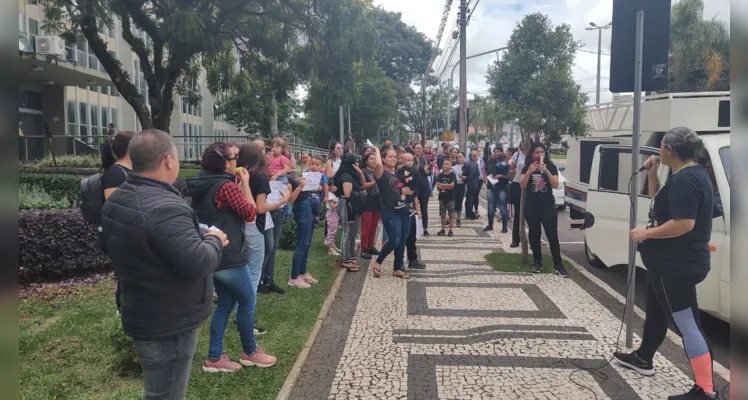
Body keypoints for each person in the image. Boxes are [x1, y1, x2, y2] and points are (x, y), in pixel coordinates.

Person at [101, 129, 226, 399]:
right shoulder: (167, 207)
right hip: (169, 322)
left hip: (142, 310)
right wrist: (215, 240)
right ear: (169, 160)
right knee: (167, 393)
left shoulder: (118, 198)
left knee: (157, 390)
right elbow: (199, 262)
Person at [614, 127, 717, 400]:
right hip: (665, 263)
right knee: (656, 311)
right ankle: (643, 358)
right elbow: (659, 204)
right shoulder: (684, 175)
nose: (658, 151)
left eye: (661, 146)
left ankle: (706, 389)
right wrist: (651, 175)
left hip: (675, 264)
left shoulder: (687, 180)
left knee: (688, 323)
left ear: (670, 150)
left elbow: (684, 223)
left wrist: (645, 233)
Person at [186, 142, 277, 372]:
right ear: (225, 163)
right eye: (234, 157)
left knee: (226, 303)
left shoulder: (200, 182)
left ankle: (215, 357)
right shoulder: (225, 187)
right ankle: (250, 351)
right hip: (230, 254)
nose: (238, 161)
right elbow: (250, 213)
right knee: (247, 299)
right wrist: (245, 184)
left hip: (211, 251)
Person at [237, 141, 285, 333]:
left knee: (244, 272)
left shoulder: (239, 174)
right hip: (255, 227)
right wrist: (282, 200)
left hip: (239, 226)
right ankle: (247, 319)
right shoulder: (262, 176)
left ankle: (241, 312)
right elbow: (260, 208)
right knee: (253, 277)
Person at [519, 142, 568, 277]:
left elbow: (555, 184)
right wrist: (529, 171)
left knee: (552, 235)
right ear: (532, 154)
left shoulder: (551, 166)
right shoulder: (527, 167)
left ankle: (558, 265)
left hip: (548, 206)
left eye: (542, 152)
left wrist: (546, 170)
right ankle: (537, 261)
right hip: (532, 206)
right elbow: (522, 185)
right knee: (534, 235)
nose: (540, 155)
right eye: (537, 152)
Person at [100, 131, 135, 313]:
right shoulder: (115, 173)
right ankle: (122, 311)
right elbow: (113, 206)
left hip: (132, 232)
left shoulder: (131, 171)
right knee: (126, 275)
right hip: (122, 235)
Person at [252, 137, 290, 295]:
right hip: (263, 214)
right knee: (267, 245)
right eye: (258, 148)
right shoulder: (253, 172)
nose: (263, 152)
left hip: (277, 208)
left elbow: (287, 174)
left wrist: (287, 187)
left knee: (273, 246)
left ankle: (269, 279)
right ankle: (259, 280)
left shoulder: (274, 164)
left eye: (263, 148)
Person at [369, 146, 413, 279]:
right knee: (394, 239)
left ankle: (397, 267)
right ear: (383, 159)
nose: (393, 159)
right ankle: (378, 261)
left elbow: (401, 191)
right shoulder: (381, 173)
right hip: (389, 210)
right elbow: (377, 164)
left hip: (402, 209)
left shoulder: (397, 174)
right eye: (390, 156)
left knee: (403, 238)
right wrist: (376, 149)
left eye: (395, 157)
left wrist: (405, 194)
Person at [334, 152, 367, 271]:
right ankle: (346, 259)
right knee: (347, 232)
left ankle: (351, 255)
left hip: (354, 205)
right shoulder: (346, 176)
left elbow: (363, 184)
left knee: (353, 233)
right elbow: (347, 193)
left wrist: (360, 172)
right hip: (347, 205)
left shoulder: (353, 174)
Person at [287, 173, 317, 288]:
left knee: (307, 242)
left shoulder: (293, 174)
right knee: (302, 243)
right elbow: (290, 199)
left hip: (307, 205)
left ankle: (303, 272)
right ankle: (294, 277)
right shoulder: (287, 177)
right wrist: (299, 186)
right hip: (301, 208)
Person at [360, 151, 381, 259]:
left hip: (378, 200)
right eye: (371, 158)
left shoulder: (378, 171)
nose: (373, 160)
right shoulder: (363, 172)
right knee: (366, 226)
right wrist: (374, 182)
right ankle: (364, 248)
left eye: (374, 158)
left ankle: (371, 246)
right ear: (366, 161)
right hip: (367, 201)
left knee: (374, 226)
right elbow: (362, 186)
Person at [325, 142, 344, 255]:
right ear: (333, 150)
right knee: (332, 224)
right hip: (333, 189)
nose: (340, 150)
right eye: (338, 148)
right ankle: (329, 245)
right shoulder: (330, 162)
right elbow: (329, 176)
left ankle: (333, 244)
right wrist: (340, 170)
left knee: (337, 223)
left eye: (341, 148)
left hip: (341, 189)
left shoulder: (342, 161)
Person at [484, 151, 510, 232]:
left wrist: (500, 175)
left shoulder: (496, 164)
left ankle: (501, 226)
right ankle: (502, 227)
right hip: (496, 187)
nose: (496, 153)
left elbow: (508, 176)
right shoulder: (505, 165)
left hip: (498, 187)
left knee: (497, 207)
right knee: (497, 207)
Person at [413, 143, 432, 236]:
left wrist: (427, 171)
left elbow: (430, 172)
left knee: (424, 207)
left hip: (424, 186)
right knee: (413, 207)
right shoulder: (411, 160)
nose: (419, 150)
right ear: (413, 149)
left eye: (420, 148)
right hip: (414, 186)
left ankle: (425, 228)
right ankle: (413, 227)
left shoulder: (425, 160)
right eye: (417, 148)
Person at [509, 143, 526, 247]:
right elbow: (511, 171)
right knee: (518, 213)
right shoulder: (517, 155)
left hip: (528, 185)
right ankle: (516, 239)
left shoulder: (532, 156)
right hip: (517, 184)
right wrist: (514, 171)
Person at [435, 159, 457, 236]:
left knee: (451, 214)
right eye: (444, 164)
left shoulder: (452, 175)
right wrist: (445, 186)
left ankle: (450, 230)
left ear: (450, 166)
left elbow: (452, 186)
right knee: (442, 214)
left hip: (451, 197)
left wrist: (442, 185)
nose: (445, 165)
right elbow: (437, 186)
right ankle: (443, 229)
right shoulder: (440, 175)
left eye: (447, 164)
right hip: (442, 197)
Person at [308, 155, 329, 229]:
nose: (314, 166)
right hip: (308, 192)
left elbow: (326, 185)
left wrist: (326, 196)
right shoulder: (308, 172)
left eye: (317, 165)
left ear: (321, 166)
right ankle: (310, 218)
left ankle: (317, 217)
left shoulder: (322, 174)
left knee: (315, 202)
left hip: (317, 193)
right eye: (312, 164)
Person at [462, 151, 480, 220]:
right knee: (470, 199)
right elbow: (472, 175)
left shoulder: (470, 164)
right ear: (474, 156)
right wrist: (467, 178)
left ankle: (469, 212)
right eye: (477, 156)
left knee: (469, 199)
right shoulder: (473, 164)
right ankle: (469, 213)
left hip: (471, 183)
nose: (478, 157)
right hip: (472, 184)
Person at [451, 152, 466, 226]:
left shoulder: (467, 166)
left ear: (464, 157)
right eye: (458, 157)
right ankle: (453, 216)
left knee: (460, 201)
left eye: (461, 157)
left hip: (463, 185)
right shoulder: (454, 167)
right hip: (455, 185)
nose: (459, 159)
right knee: (454, 200)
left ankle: (458, 218)